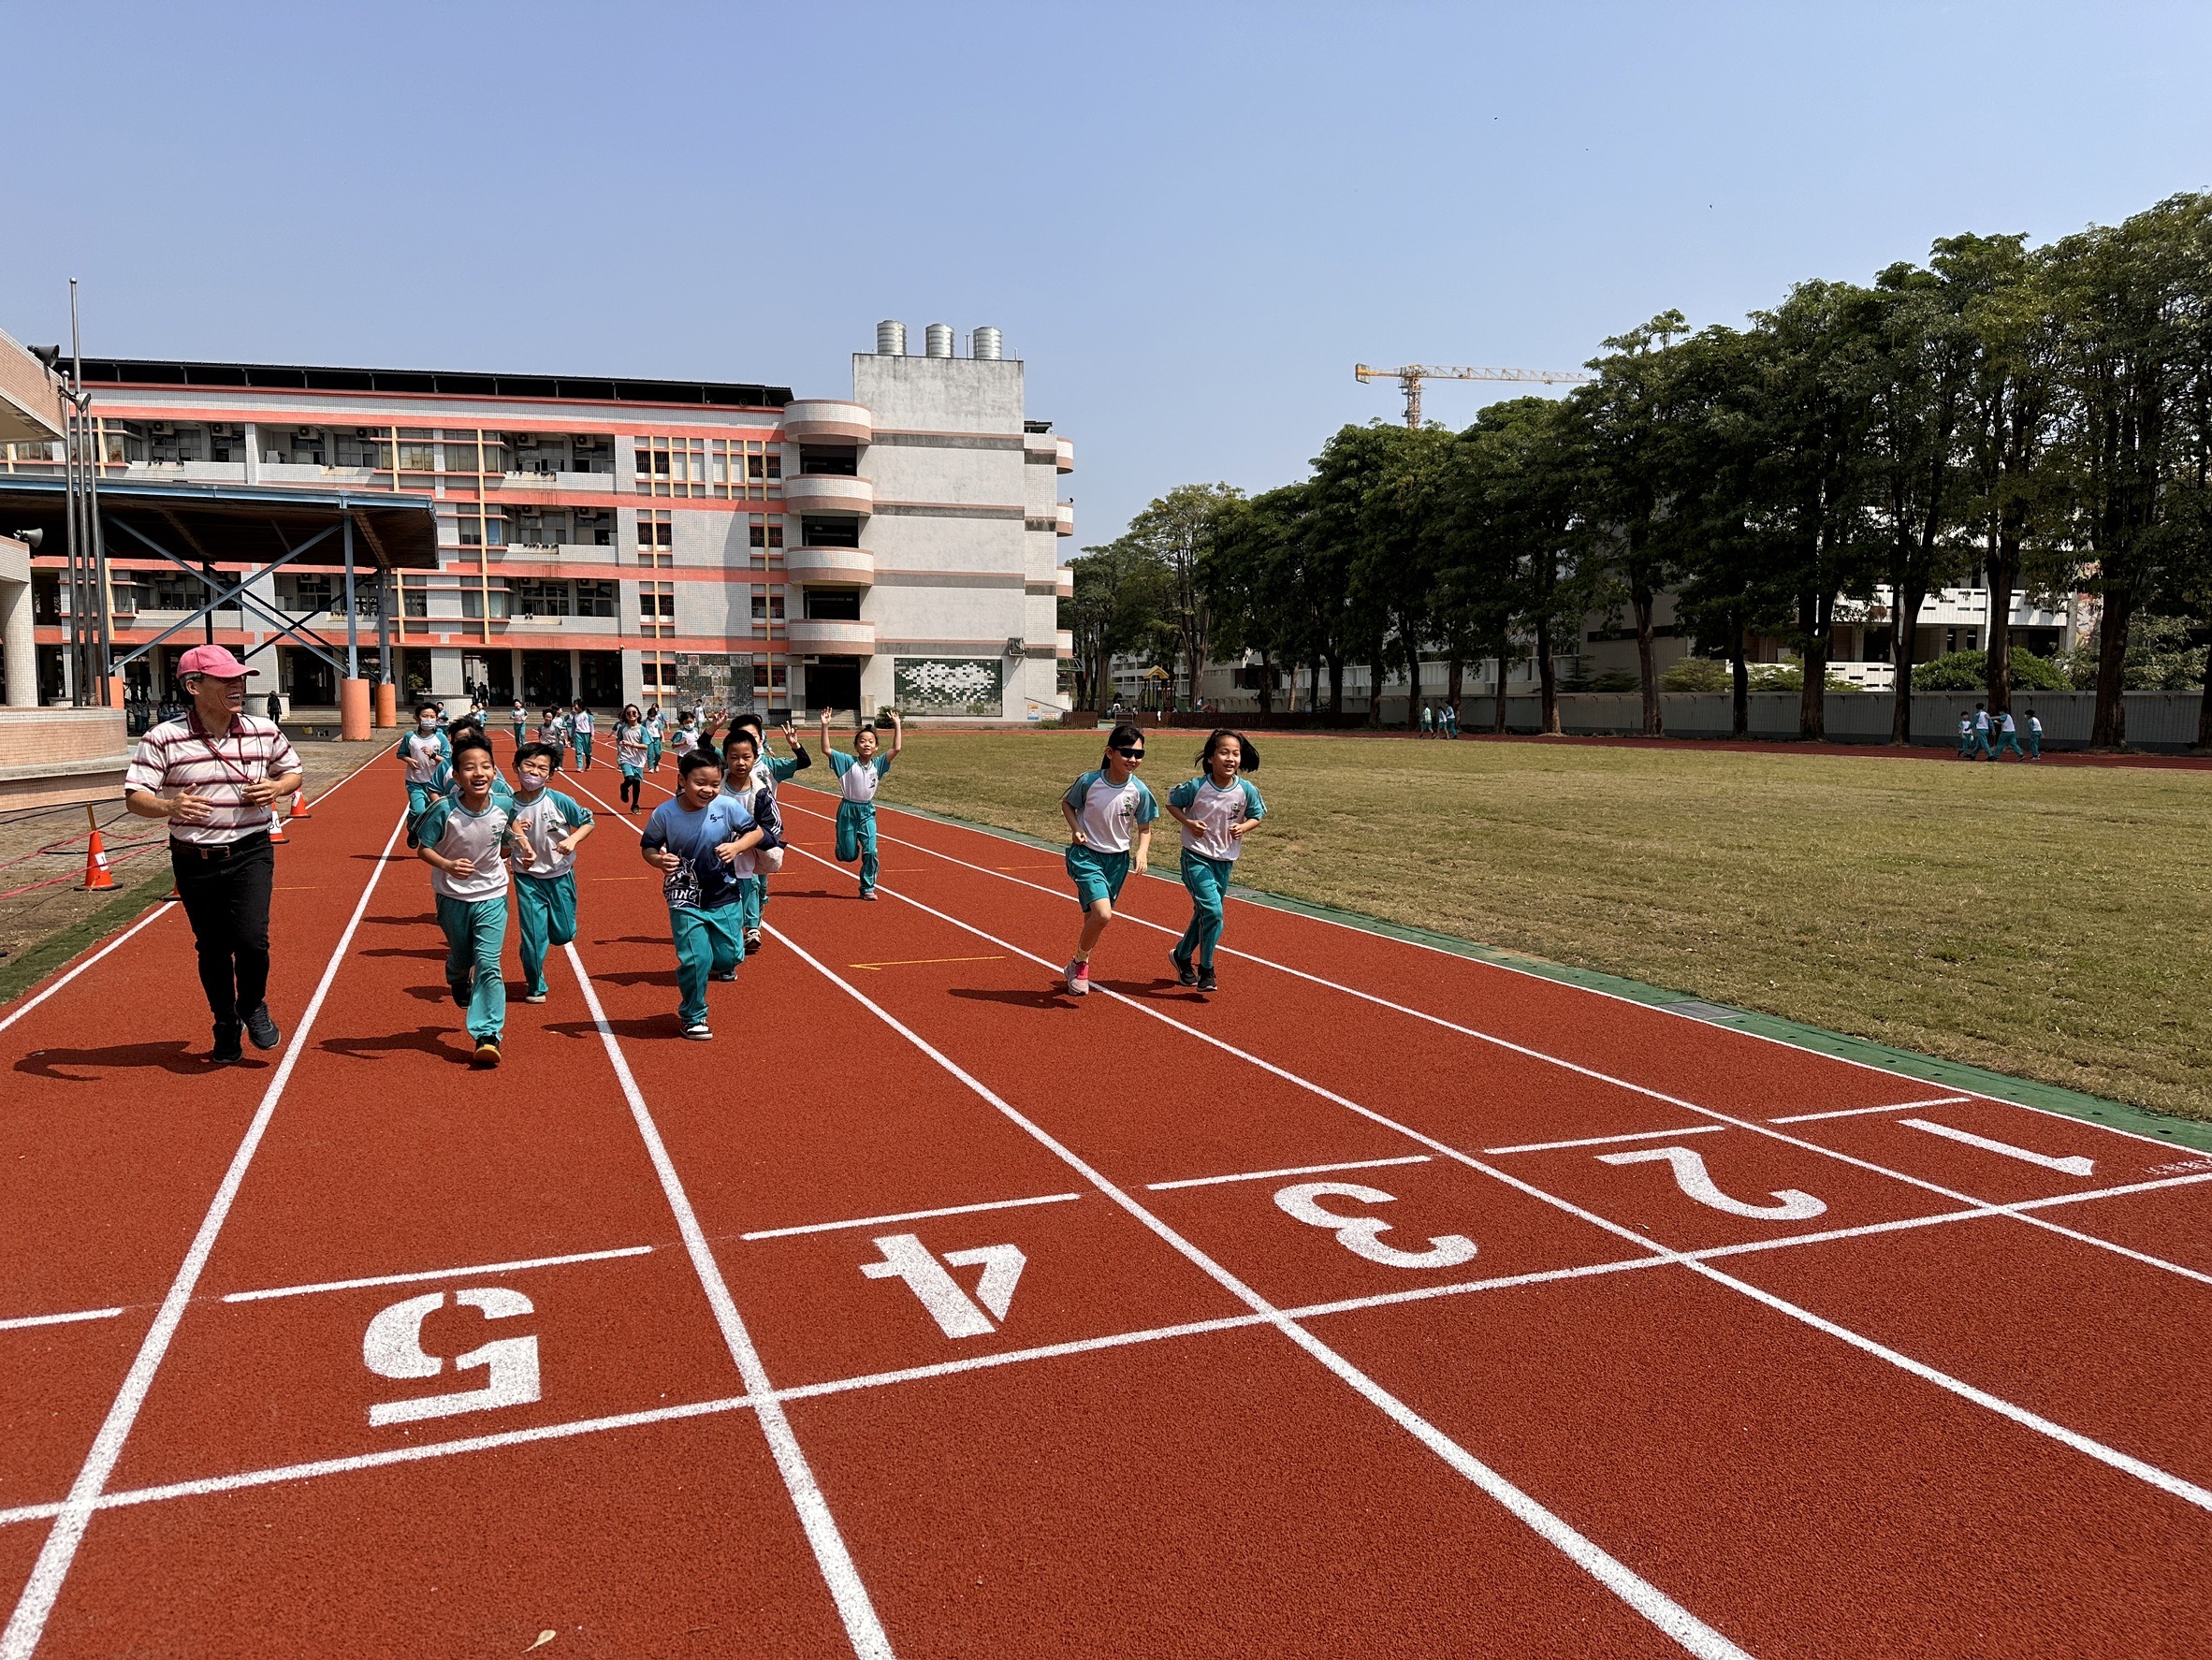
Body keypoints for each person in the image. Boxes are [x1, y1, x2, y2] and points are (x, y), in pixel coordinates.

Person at [123, 644, 305, 1065]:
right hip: (193, 859)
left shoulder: (264, 731)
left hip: (251, 851)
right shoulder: (163, 738)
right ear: (193, 686)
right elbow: (135, 797)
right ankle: (225, 1021)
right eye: (225, 679)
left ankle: (253, 1004)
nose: (237, 685)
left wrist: (277, 789)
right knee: (212, 948)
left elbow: (293, 772)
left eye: (240, 678)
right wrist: (169, 806)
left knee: (252, 941)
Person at [410, 732, 518, 1068]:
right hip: (452, 896)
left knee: (488, 961)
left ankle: (488, 1034)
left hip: (493, 894)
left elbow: (508, 833)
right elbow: (421, 847)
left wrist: (520, 847)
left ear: (495, 772)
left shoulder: (504, 804)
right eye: (469, 768)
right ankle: (457, 975)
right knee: (462, 954)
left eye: (486, 766)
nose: (479, 773)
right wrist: (446, 865)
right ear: (456, 777)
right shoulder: (443, 809)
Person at [639, 746, 761, 1040]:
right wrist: (658, 860)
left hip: (725, 895)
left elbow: (756, 832)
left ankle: (725, 963)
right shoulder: (665, 814)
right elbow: (648, 847)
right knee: (696, 959)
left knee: (731, 955)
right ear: (682, 780)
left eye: (715, 784)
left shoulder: (728, 807)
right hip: (684, 897)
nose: (708, 790)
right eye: (700, 783)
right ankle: (694, 1015)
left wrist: (736, 847)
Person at [1058, 721, 1157, 997]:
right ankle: (1081, 965)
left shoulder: (1139, 791)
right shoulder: (1090, 782)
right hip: (1087, 855)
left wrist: (1142, 851)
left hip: (1117, 862)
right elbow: (1068, 804)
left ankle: (1076, 963)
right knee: (1103, 914)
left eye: (1139, 754)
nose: (1133, 760)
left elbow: (1145, 827)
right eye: (1127, 753)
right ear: (1110, 752)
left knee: (1094, 918)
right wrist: (1076, 828)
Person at [1164, 729, 1266, 994]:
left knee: (1205, 913)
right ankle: (1206, 969)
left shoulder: (1246, 790)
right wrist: (1188, 821)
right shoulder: (1197, 787)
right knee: (1213, 912)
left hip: (1225, 860)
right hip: (1196, 857)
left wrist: (1244, 827)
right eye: (1224, 752)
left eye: (1235, 753)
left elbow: (1257, 815)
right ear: (1210, 758)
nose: (1230, 758)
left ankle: (1182, 955)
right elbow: (1171, 803)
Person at [508, 741, 595, 1004]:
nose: (534, 773)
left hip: (560, 874)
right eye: (529, 766)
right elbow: (499, 842)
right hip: (527, 878)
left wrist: (572, 841)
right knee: (534, 936)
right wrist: (513, 836)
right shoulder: (506, 805)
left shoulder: (559, 800)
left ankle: (535, 946)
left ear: (551, 774)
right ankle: (535, 984)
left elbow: (588, 822)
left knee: (564, 934)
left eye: (542, 768)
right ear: (516, 767)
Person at [722, 713, 811, 953]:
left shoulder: (770, 766)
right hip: (733, 836)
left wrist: (795, 746)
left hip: (765, 829)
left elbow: (804, 762)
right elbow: (702, 753)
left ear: (760, 739)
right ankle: (751, 928)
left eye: (753, 735)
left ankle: (755, 915)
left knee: (760, 886)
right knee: (746, 881)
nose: (741, 760)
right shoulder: (728, 766)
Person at [821, 706, 902, 899]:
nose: (866, 744)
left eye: (871, 742)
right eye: (862, 741)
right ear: (856, 746)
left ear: (875, 747)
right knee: (848, 855)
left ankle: (867, 887)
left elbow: (896, 748)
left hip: (867, 811)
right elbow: (826, 749)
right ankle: (843, 847)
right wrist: (825, 726)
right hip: (848, 810)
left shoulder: (879, 764)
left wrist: (897, 725)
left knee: (871, 850)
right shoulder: (847, 762)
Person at [398, 702, 452, 831]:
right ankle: (412, 827)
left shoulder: (441, 737)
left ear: (437, 718)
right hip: (414, 781)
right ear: (417, 718)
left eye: (432, 717)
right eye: (425, 716)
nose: (429, 720)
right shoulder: (410, 737)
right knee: (418, 811)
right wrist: (408, 760)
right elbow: (400, 753)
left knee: (432, 811)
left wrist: (433, 755)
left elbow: (446, 759)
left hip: (435, 783)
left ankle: (428, 835)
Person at [614, 704, 648, 812]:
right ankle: (624, 788)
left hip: (638, 759)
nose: (631, 715)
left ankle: (635, 804)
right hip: (626, 758)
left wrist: (631, 744)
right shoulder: (623, 728)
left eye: (634, 712)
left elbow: (645, 745)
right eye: (628, 713)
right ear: (625, 715)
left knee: (636, 783)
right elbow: (618, 739)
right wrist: (621, 744)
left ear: (638, 715)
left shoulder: (642, 730)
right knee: (629, 778)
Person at [537, 706, 567, 770]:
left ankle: (558, 765)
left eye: (550, 717)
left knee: (557, 754)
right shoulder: (541, 727)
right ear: (544, 717)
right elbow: (540, 734)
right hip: (545, 744)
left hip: (553, 743)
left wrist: (560, 740)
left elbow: (559, 734)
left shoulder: (555, 727)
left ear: (552, 718)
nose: (548, 719)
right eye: (546, 717)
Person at [570, 699, 595, 770]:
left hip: (587, 734)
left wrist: (592, 736)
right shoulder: (575, 716)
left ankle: (588, 763)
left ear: (580, 706)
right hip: (578, 734)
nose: (574, 707)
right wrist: (572, 736)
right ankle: (579, 766)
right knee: (578, 751)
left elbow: (591, 726)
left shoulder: (587, 715)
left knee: (588, 751)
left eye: (575, 705)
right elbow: (573, 727)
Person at [644, 705, 665, 774]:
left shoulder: (658, 721)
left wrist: (663, 738)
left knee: (658, 753)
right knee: (650, 754)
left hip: (657, 738)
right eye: (651, 716)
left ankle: (656, 763)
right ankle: (651, 767)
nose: (652, 717)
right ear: (648, 715)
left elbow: (661, 730)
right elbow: (642, 730)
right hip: (649, 739)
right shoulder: (645, 722)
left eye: (654, 716)